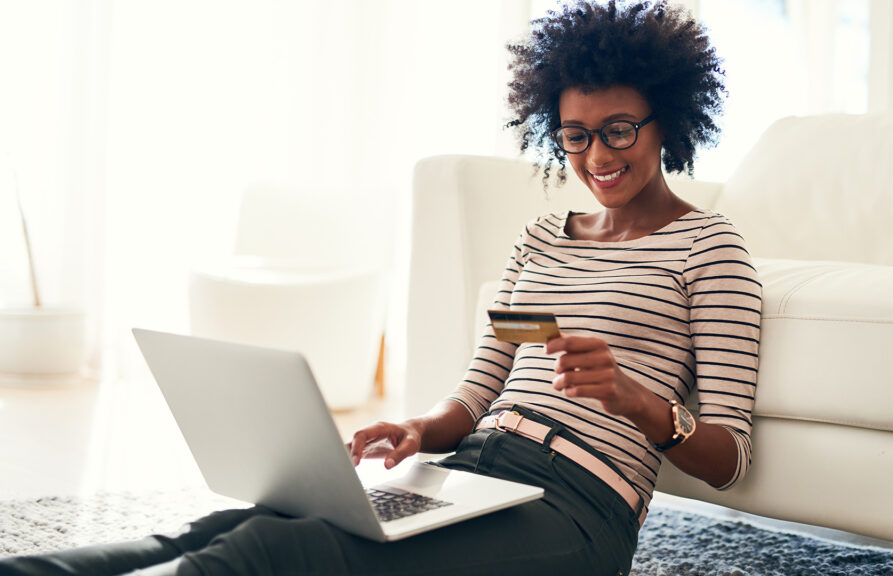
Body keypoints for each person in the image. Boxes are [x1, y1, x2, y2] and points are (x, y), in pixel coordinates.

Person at [0, 1, 760, 574]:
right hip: (474, 470)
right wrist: (420, 432)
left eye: (620, 129)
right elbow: (480, 387)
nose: (597, 155)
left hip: (581, 511)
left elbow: (728, 460)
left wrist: (635, 400)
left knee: (284, 551)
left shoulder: (710, 248)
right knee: (235, 527)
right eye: (576, 135)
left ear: (668, 122)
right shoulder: (542, 239)